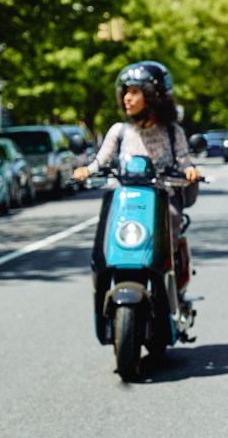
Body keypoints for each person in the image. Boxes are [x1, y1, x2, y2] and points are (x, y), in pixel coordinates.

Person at [74, 61, 201, 282]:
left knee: (172, 216)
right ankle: (104, 272)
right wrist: (86, 170)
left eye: (135, 92)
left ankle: (167, 272)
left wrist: (190, 170)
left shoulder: (173, 132)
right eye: (125, 92)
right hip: (126, 198)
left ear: (153, 96)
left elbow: (183, 160)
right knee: (108, 224)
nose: (127, 98)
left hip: (162, 197)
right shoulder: (119, 131)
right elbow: (100, 161)